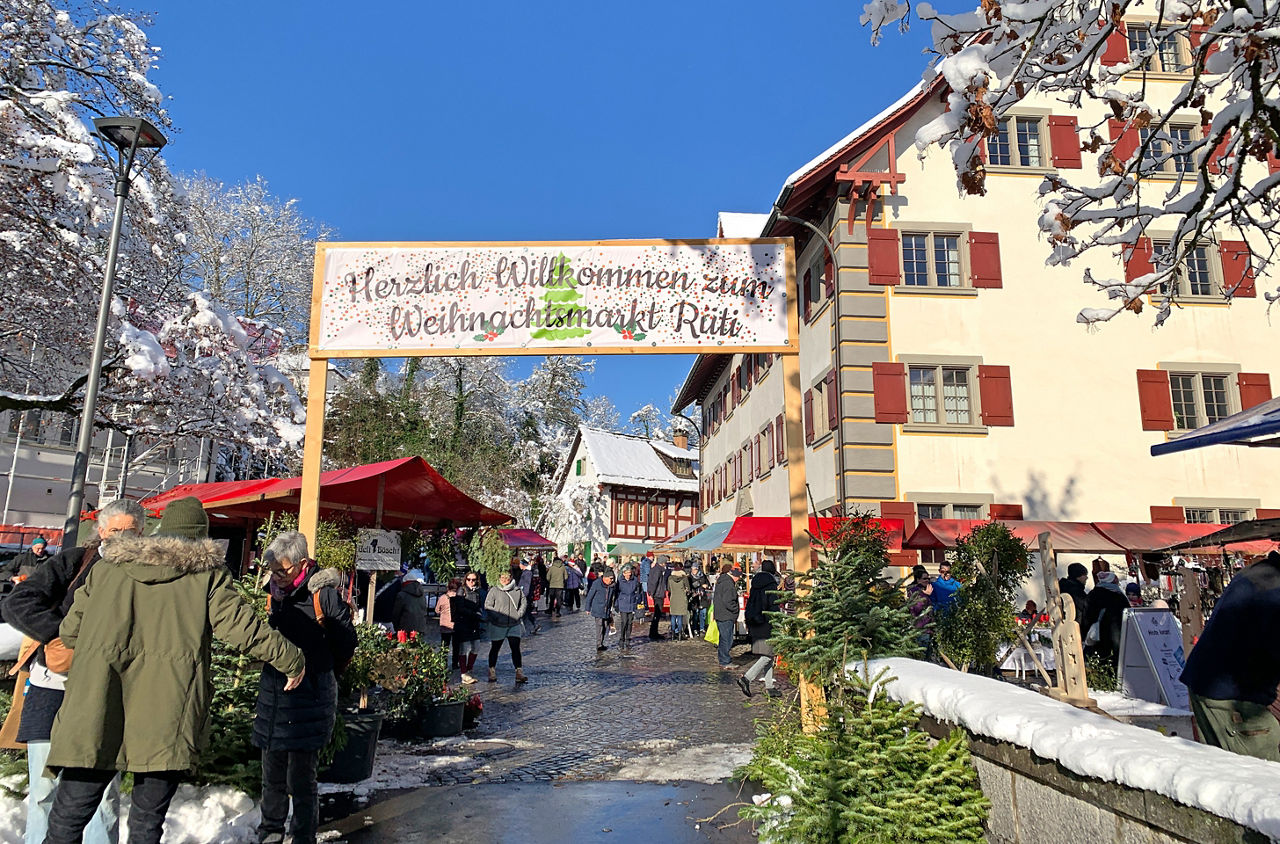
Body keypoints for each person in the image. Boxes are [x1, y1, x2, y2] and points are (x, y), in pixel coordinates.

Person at [42, 496, 305, 844]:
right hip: (166, 711)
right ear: (200, 535)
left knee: (67, 820)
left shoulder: (107, 569)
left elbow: (69, 632)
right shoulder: (207, 576)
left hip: (95, 703)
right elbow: (243, 628)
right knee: (146, 825)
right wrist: (291, 659)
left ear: (161, 529)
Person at [3, 500, 144, 844]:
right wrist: (60, 637)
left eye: (130, 532)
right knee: (44, 792)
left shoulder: (147, 572)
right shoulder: (74, 562)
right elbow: (17, 602)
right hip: (53, 689)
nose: (122, 539)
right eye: (115, 531)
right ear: (101, 530)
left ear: (141, 533)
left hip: (108, 693)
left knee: (102, 798)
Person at [254, 531, 357, 844]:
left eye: (282, 571)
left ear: (301, 564)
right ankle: (270, 832)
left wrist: (318, 666)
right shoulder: (274, 593)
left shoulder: (322, 594)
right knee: (271, 773)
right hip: (274, 692)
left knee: (301, 776)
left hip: (310, 694)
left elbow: (346, 641)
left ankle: (302, 836)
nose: (276, 577)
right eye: (271, 570)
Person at [1181, 551, 1280, 761]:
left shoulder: (1261, 572)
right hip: (1232, 697)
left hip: (1214, 686)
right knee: (1263, 781)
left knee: (1231, 775)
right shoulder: (1273, 588)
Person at [739, 559, 780, 697]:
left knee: (768, 653)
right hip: (767, 622)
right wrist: (778, 620)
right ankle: (746, 678)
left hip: (755, 621)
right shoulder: (771, 584)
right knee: (768, 655)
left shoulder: (756, 583)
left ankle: (770, 687)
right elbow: (773, 605)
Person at [484, 570, 528, 683]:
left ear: (511, 578)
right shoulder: (494, 590)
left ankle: (519, 671)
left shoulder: (517, 590)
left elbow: (524, 602)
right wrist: (497, 616)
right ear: (499, 578)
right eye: (502, 577)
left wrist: (519, 614)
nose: (504, 580)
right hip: (498, 625)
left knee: (515, 648)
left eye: (507, 578)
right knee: (495, 648)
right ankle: (492, 670)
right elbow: (488, 605)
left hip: (514, 624)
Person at [1082, 569, 1130, 670]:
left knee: (1098, 657)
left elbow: (1087, 614)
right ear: (1112, 581)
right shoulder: (1118, 595)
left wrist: (1086, 629)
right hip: (1115, 633)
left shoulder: (1093, 594)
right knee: (1113, 658)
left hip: (1097, 632)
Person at [453, 572, 486, 684]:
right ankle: (464, 673)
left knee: (476, 646)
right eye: (469, 579)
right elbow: (460, 607)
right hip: (463, 623)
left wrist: (480, 613)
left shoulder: (477, 591)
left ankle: (469, 668)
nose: (471, 582)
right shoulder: (461, 590)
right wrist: (474, 613)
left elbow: (480, 605)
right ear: (465, 580)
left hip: (474, 623)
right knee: (463, 648)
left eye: (474, 579)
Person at [713, 564, 742, 670]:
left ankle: (723, 659)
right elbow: (728, 601)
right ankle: (725, 661)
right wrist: (735, 610)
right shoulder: (728, 584)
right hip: (726, 614)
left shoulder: (722, 581)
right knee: (726, 639)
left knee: (723, 638)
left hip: (721, 614)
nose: (738, 579)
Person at [613, 564, 644, 652]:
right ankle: (621, 639)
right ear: (623, 573)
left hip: (632, 603)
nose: (628, 574)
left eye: (629, 573)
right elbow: (616, 593)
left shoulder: (634, 580)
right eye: (627, 573)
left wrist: (639, 600)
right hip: (623, 602)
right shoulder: (620, 581)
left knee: (630, 622)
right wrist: (616, 604)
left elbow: (639, 591)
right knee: (624, 621)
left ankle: (627, 640)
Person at [585, 569, 617, 652]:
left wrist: (614, 607)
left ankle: (601, 643)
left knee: (605, 626)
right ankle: (599, 644)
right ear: (605, 578)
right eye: (611, 579)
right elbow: (590, 596)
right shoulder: (596, 583)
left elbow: (613, 597)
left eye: (612, 579)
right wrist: (587, 608)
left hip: (607, 610)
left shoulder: (612, 586)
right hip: (598, 608)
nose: (612, 580)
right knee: (599, 626)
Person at [905, 565, 935, 654]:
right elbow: (917, 607)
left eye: (928, 578)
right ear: (918, 580)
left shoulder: (927, 589)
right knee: (922, 656)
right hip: (920, 627)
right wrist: (926, 595)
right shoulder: (915, 591)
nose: (927, 580)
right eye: (924, 578)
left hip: (928, 627)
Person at [392, 569, 430, 636]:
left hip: (405, 628)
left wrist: (396, 627)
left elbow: (396, 614)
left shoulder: (401, 595)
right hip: (420, 627)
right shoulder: (422, 594)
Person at [438, 577, 460, 672]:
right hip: (456, 625)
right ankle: (455, 664)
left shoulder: (443, 598)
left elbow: (436, 610)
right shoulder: (460, 597)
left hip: (445, 625)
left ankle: (443, 663)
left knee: (445, 645)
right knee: (456, 646)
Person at [1058, 562, 1090, 627]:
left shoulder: (1064, 586)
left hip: (1065, 624)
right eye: (1084, 575)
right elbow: (1085, 606)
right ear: (1078, 576)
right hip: (1075, 626)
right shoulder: (1075, 590)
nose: (1087, 577)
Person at [666, 561, 691, 640]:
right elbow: (688, 589)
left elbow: (668, 589)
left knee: (673, 616)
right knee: (680, 617)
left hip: (673, 598)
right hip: (681, 598)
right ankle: (680, 634)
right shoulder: (684, 578)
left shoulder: (670, 578)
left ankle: (673, 634)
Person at [647, 557, 669, 640]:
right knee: (657, 614)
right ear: (662, 563)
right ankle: (653, 633)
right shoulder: (658, 570)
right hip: (658, 594)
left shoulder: (656, 569)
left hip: (657, 593)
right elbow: (654, 582)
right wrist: (652, 593)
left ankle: (654, 632)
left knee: (657, 614)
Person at [517, 559, 540, 636]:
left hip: (525, 595)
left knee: (524, 612)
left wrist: (523, 595)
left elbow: (526, 585)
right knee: (526, 612)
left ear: (523, 564)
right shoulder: (525, 572)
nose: (519, 565)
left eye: (520, 564)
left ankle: (524, 629)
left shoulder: (527, 573)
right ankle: (534, 625)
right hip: (524, 595)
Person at [688, 564, 711, 635]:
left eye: (695, 569)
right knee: (695, 614)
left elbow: (708, 584)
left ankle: (702, 628)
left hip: (703, 597)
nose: (694, 571)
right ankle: (694, 628)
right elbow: (691, 586)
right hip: (695, 598)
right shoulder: (689, 577)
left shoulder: (702, 575)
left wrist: (707, 586)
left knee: (703, 613)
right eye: (692, 569)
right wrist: (701, 585)